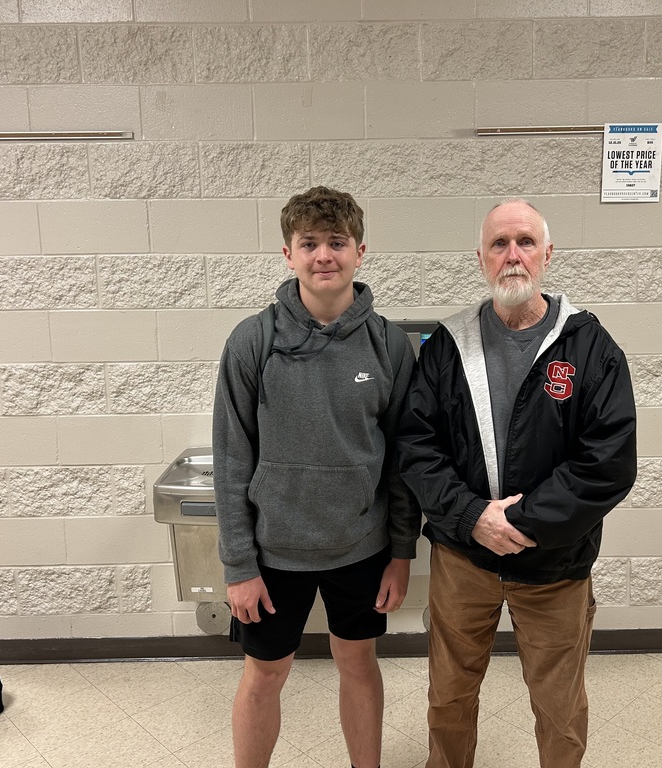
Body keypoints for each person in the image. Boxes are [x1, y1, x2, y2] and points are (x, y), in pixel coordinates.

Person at [396, 198, 637, 768]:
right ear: (480, 258)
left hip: (554, 564)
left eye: (525, 242)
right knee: (449, 695)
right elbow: (416, 446)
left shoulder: (591, 348)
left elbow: (607, 462)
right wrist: (473, 517)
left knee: (559, 707)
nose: (513, 256)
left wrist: (521, 524)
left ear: (547, 254)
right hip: (464, 558)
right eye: (499, 245)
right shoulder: (446, 348)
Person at [212, 186, 420, 768]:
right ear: (288, 254)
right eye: (310, 244)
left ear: (360, 251)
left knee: (358, 663)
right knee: (265, 674)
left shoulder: (389, 347)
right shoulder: (253, 342)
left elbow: (405, 461)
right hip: (275, 555)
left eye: (336, 242)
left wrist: (401, 552)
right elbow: (231, 461)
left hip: (362, 548)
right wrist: (239, 566)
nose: (323, 255)